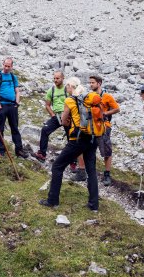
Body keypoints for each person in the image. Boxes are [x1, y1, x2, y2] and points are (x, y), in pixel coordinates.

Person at [38, 77, 99, 211]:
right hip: (93, 137)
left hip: (77, 139)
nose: (66, 88)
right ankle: (94, 205)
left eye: (67, 86)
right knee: (91, 170)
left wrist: (72, 120)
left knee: (57, 166)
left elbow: (64, 121)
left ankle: (52, 200)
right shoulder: (87, 99)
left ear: (71, 87)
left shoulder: (70, 100)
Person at [72, 74, 121, 185]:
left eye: (92, 82)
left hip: (103, 127)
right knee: (84, 148)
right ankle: (82, 171)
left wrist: (105, 113)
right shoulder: (88, 95)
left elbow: (117, 108)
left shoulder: (107, 96)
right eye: (90, 82)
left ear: (99, 83)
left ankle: (107, 175)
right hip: (89, 127)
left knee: (106, 151)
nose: (90, 84)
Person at [0, 57, 26, 158]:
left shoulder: (13, 77)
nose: (6, 68)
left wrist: (17, 103)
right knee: (0, 128)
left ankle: (19, 150)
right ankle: (1, 150)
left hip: (12, 106)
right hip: (2, 105)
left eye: (8, 66)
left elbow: (17, 91)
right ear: (3, 64)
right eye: (5, 65)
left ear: (12, 66)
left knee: (15, 128)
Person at [34, 71, 68, 162]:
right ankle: (42, 154)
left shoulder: (67, 89)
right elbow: (47, 105)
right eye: (54, 78)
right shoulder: (51, 90)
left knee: (71, 137)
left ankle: (73, 161)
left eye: (57, 78)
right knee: (45, 130)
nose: (55, 80)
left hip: (67, 116)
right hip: (56, 116)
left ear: (62, 78)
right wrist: (53, 115)